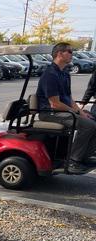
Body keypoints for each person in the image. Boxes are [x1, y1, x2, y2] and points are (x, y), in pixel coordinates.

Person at [35, 42, 96, 174]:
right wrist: (76, 113)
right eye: (69, 51)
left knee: (92, 120)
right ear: (59, 54)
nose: (72, 54)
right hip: (50, 113)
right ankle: (73, 160)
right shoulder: (50, 75)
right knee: (88, 125)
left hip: (62, 111)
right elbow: (55, 104)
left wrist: (81, 112)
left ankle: (84, 157)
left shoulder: (64, 73)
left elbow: (69, 98)